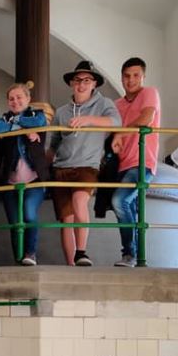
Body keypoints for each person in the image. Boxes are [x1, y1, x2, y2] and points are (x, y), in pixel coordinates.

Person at [49, 61, 121, 266]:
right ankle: (72, 265)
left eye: (87, 80)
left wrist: (88, 120)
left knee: (80, 201)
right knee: (66, 219)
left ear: (94, 84)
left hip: (87, 166)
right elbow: (53, 142)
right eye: (78, 80)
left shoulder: (104, 103)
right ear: (72, 83)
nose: (81, 84)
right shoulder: (62, 111)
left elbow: (117, 122)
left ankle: (81, 252)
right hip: (61, 167)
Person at [0, 83, 48, 266]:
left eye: (19, 97)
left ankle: (30, 253)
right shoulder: (4, 118)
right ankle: (19, 259)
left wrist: (14, 124)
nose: (15, 101)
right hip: (10, 182)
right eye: (11, 99)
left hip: (34, 180)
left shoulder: (37, 114)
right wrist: (22, 128)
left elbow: (38, 123)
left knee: (29, 214)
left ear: (28, 99)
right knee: (15, 223)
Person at [111, 57, 161, 267]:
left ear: (143, 77)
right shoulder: (117, 104)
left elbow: (146, 118)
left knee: (119, 200)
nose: (131, 80)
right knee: (130, 208)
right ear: (121, 78)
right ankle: (138, 257)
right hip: (122, 163)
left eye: (136, 75)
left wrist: (120, 134)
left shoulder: (149, 92)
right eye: (127, 76)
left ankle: (129, 254)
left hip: (143, 162)